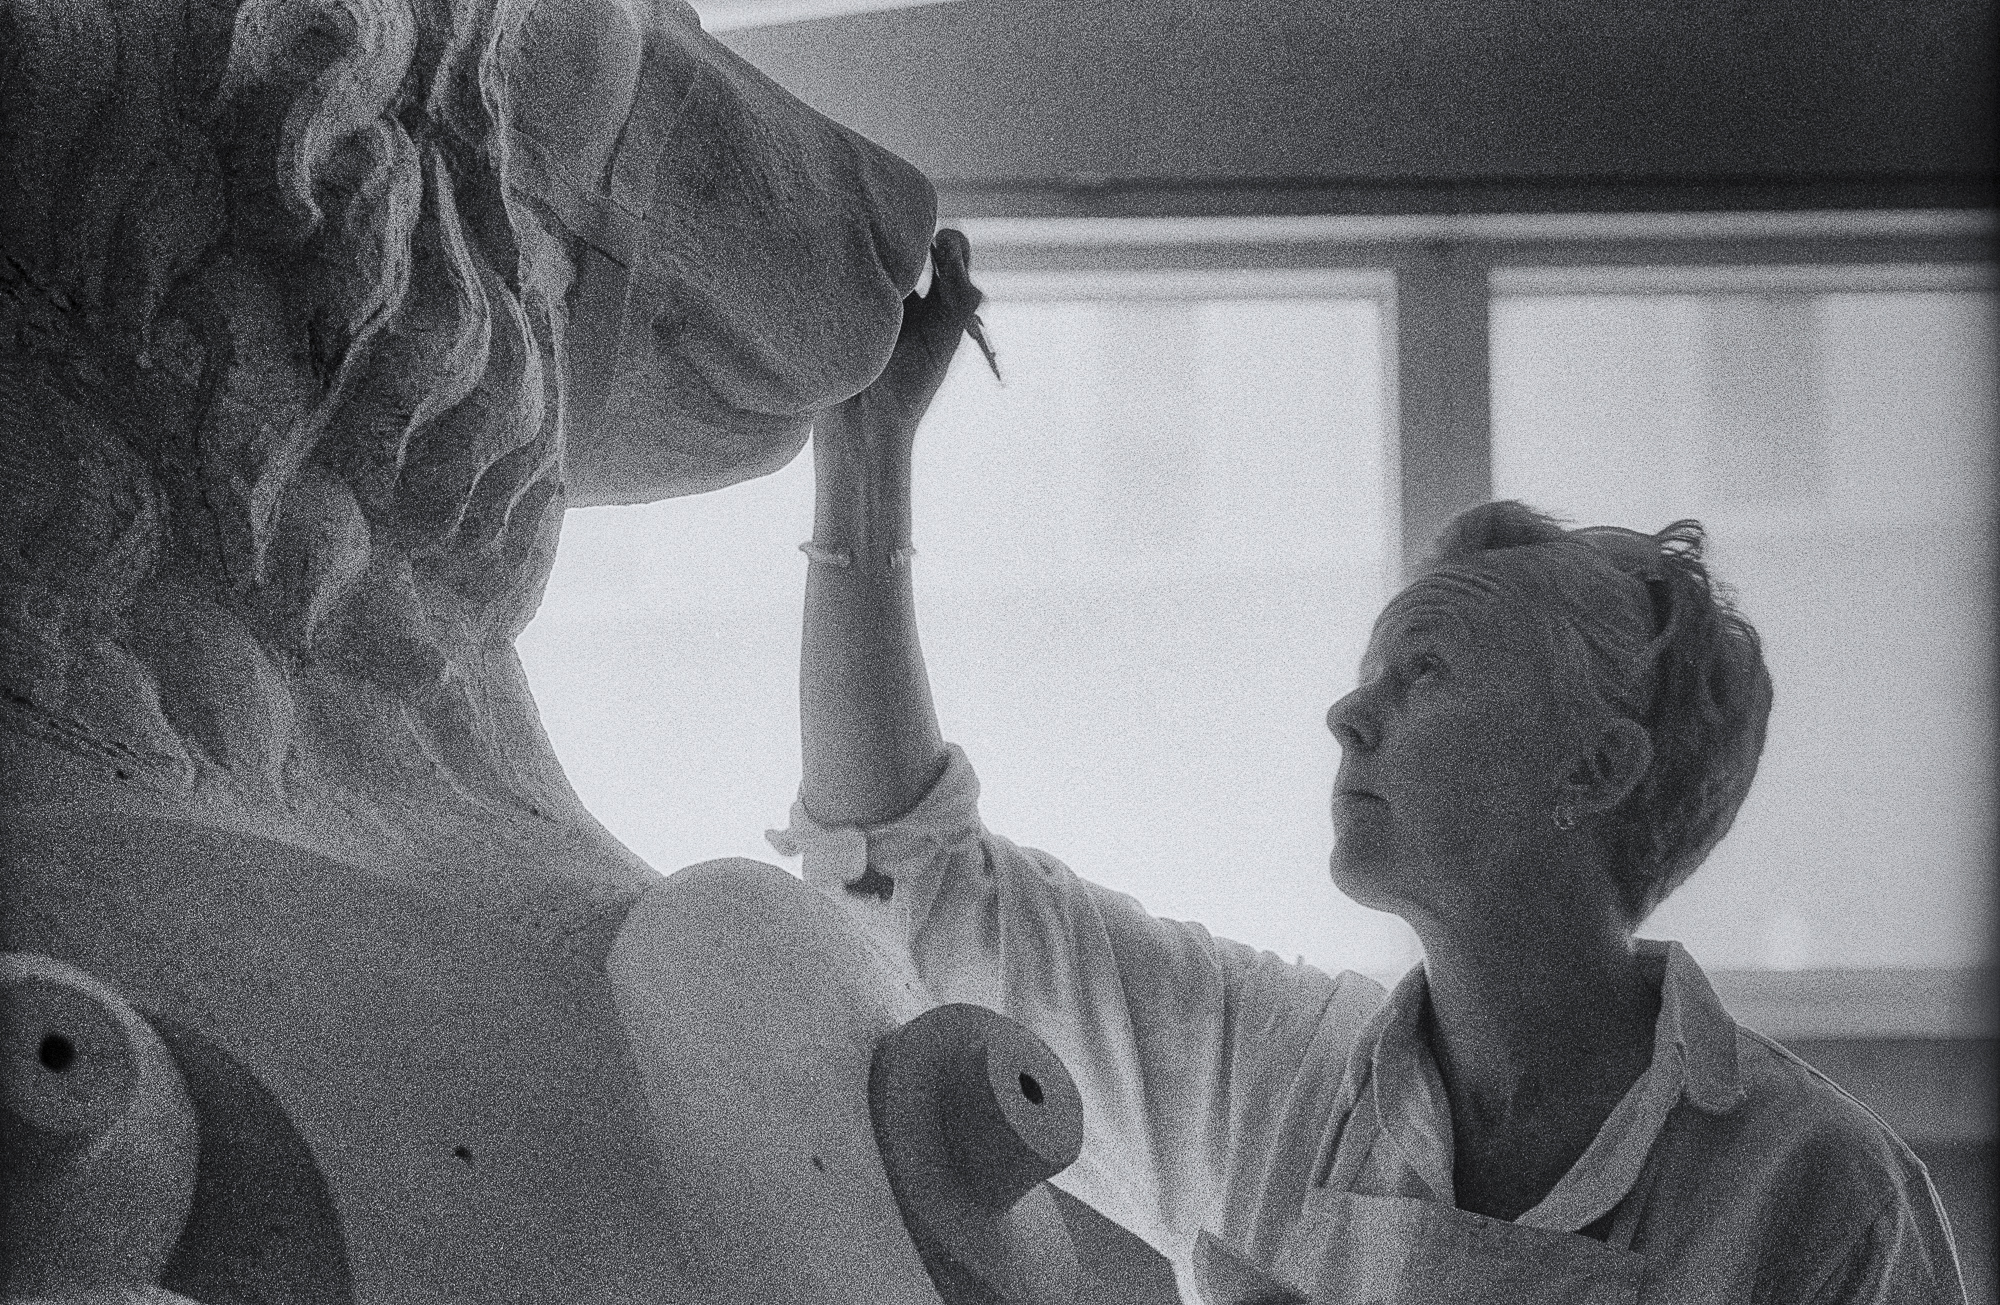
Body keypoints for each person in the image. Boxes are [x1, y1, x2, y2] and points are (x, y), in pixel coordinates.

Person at [767, 229, 1968, 1304]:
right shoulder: (1268, 1072)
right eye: (1372, 669)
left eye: (1426, 672)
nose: (1347, 713)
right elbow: (906, 874)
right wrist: (865, 457)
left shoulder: (1819, 1196)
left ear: (1595, 768)